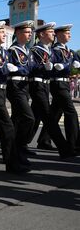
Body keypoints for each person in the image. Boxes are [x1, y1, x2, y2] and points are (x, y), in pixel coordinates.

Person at [0, 21, 29, 174]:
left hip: (2, 90)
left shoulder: (4, 52)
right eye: (1, 33)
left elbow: (19, 67)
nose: (4, 35)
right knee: (7, 126)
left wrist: (17, 68)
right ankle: (11, 162)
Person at [28, 22, 73, 159]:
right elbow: (31, 68)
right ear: (41, 34)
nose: (54, 34)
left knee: (33, 117)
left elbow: (62, 64)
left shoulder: (51, 51)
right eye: (50, 32)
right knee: (48, 116)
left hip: (46, 85)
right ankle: (64, 149)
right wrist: (43, 68)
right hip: (37, 85)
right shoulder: (35, 50)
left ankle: (19, 144)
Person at [36, 24, 79, 153]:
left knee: (55, 113)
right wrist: (68, 64)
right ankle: (74, 143)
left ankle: (44, 140)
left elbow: (74, 61)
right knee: (71, 112)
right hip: (57, 83)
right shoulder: (53, 50)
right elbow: (50, 65)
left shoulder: (69, 51)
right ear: (59, 35)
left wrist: (73, 63)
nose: (70, 35)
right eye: (67, 33)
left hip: (64, 83)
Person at [6, 20, 36, 163]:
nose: (30, 34)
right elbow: (8, 68)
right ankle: (18, 147)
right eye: (27, 32)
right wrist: (19, 69)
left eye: (30, 32)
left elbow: (32, 69)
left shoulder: (28, 51)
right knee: (29, 118)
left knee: (17, 120)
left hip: (25, 86)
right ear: (18, 33)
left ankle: (15, 151)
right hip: (16, 85)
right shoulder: (12, 51)